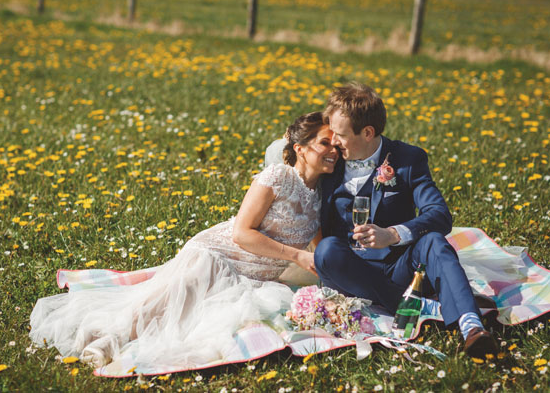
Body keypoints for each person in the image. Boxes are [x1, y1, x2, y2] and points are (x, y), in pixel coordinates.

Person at [29, 112, 339, 371]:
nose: (333, 151)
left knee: (195, 318)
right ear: (300, 148)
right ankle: (109, 338)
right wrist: (295, 256)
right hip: (219, 252)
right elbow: (242, 233)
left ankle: (119, 337)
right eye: (325, 143)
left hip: (255, 277)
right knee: (185, 290)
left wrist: (340, 286)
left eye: (336, 145)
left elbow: (320, 250)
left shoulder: (318, 196)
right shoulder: (277, 177)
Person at [313, 83, 499, 358]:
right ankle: (413, 304)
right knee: (326, 250)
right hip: (350, 270)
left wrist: (393, 234)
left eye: (340, 134)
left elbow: (439, 214)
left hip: (400, 265)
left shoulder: (408, 160)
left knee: (434, 241)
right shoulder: (329, 160)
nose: (334, 141)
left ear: (367, 133)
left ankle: (471, 328)